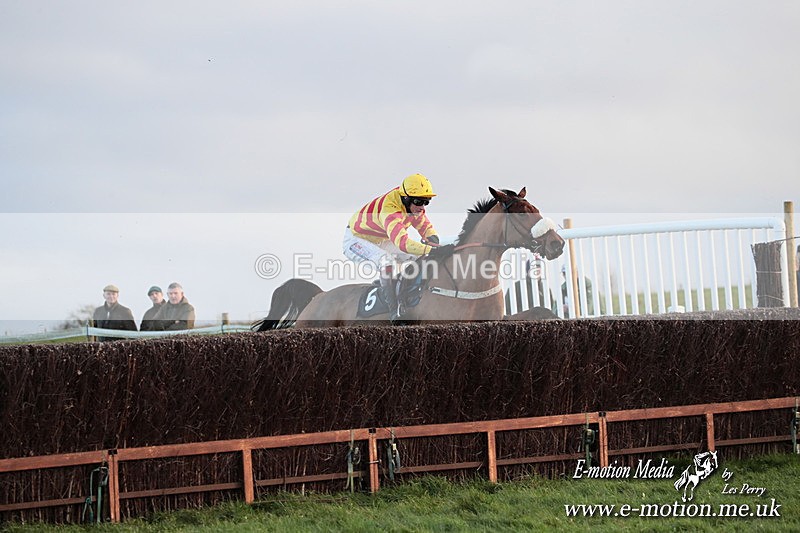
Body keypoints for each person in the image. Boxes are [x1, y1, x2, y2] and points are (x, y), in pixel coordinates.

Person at [343, 173, 441, 322]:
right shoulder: (390, 209)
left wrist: (433, 239)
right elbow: (403, 243)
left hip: (382, 238)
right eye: (418, 201)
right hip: (357, 238)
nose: (422, 207)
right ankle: (393, 311)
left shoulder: (413, 206)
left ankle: (406, 293)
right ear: (405, 198)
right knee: (386, 262)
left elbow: (425, 227)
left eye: (426, 202)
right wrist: (431, 249)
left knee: (419, 256)